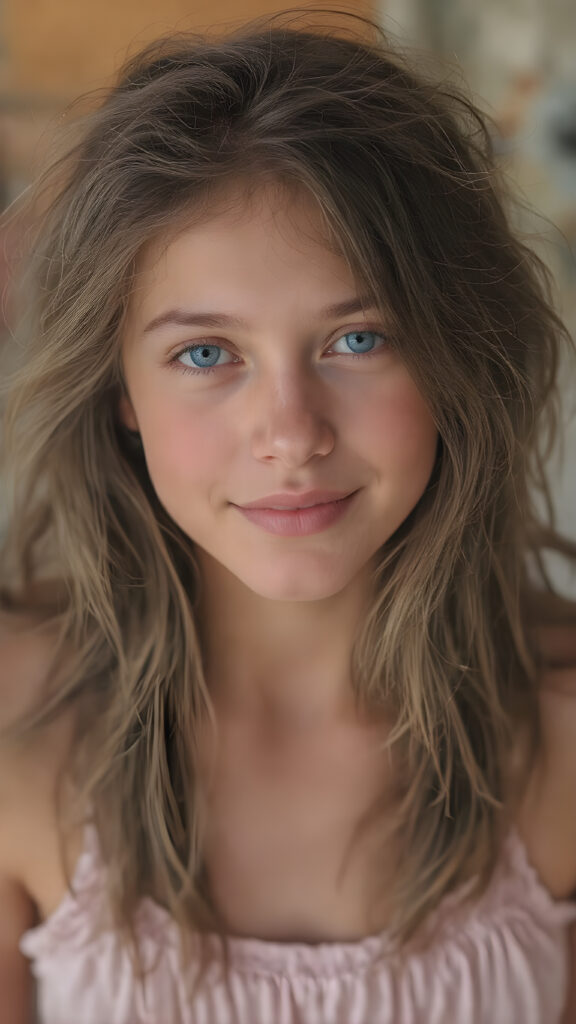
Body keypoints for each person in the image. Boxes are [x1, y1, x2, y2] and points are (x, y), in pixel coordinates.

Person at [1, 8, 576, 1023]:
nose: (292, 433)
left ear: (453, 353)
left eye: (358, 339)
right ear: (122, 391)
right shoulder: (17, 727)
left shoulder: (561, 735)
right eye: (206, 353)